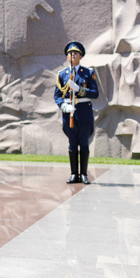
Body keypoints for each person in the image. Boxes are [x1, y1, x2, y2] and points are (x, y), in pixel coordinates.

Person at [54, 41, 99, 185]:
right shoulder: (62, 75)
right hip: (69, 114)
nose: (72, 56)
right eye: (70, 54)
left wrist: (79, 89)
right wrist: (63, 106)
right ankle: (74, 174)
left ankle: (84, 174)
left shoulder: (88, 73)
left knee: (84, 144)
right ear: (67, 57)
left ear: (81, 56)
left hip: (84, 114)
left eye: (75, 53)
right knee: (72, 144)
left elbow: (95, 93)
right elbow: (57, 96)